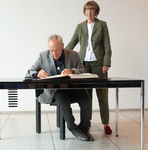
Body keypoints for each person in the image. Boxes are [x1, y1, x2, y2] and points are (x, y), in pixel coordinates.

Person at [29, 34, 94, 141]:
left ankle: (84, 128)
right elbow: (31, 71)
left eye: (57, 50)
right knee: (63, 99)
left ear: (62, 46)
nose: (54, 53)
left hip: (72, 88)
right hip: (54, 91)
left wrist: (72, 71)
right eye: (51, 50)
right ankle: (73, 128)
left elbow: (83, 70)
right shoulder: (42, 56)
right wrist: (37, 74)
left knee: (85, 99)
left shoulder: (73, 55)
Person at [65, 1, 112, 135]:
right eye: (87, 10)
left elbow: (107, 46)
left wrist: (106, 63)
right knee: (86, 95)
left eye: (92, 10)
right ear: (84, 12)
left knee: (102, 95)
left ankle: (106, 123)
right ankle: (87, 120)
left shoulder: (102, 25)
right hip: (83, 65)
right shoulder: (80, 27)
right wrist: (61, 53)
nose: (89, 13)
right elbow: (72, 43)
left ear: (96, 12)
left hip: (98, 64)